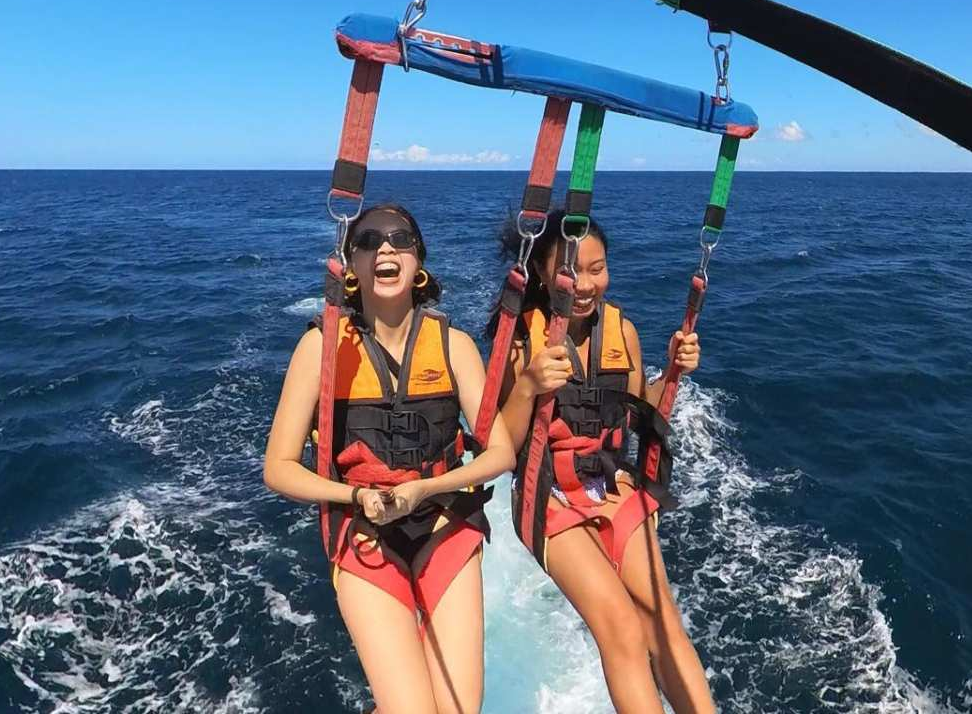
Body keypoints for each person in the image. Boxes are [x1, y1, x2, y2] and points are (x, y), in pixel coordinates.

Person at [264, 204, 515, 714]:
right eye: (369, 241)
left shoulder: (455, 346)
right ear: (351, 267)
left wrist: (425, 489)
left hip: (446, 523)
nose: (385, 248)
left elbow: (502, 451)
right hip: (364, 534)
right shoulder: (321, 348)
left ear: (418, 259)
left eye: (400, 239)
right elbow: (279, 467)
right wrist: (355, 495)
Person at [493, 211, 716, 714]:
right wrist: (528, 385)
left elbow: (642, 413)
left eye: (600, 268)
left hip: (610, 484)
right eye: (575, 271)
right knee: (618, 624)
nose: (588, 283)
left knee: (661, 620)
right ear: (545, 274)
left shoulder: (624, 332)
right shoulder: (521, 340)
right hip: (545, 495)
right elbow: (499, 448)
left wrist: (673, 372)